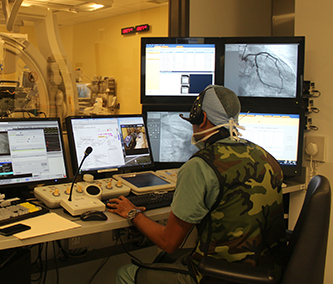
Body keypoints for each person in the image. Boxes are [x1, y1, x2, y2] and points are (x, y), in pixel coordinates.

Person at [107, 85, 286, 284]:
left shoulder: (200, 166)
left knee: (126, 273)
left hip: (216, 276)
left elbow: (169, 242)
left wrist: (132, 213)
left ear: (202, 118)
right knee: (165, 260)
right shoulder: (265, 156)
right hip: (266, 273)